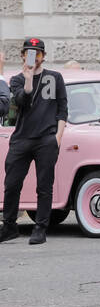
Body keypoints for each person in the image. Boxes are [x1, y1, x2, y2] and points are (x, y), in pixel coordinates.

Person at [1, 38, 67, 245]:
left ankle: (40, 227)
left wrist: (57, 138)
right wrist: (28, 78)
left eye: (37, 53)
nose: (34, 57)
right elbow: (21, 102)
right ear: (22, 55)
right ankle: (9, 225)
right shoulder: (17, 80)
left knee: (44, 185)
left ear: (43, 56)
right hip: (21, 139)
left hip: (46, 139)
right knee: (11, 184)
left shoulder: (55, 77)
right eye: (29, 53)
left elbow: (62, 109)